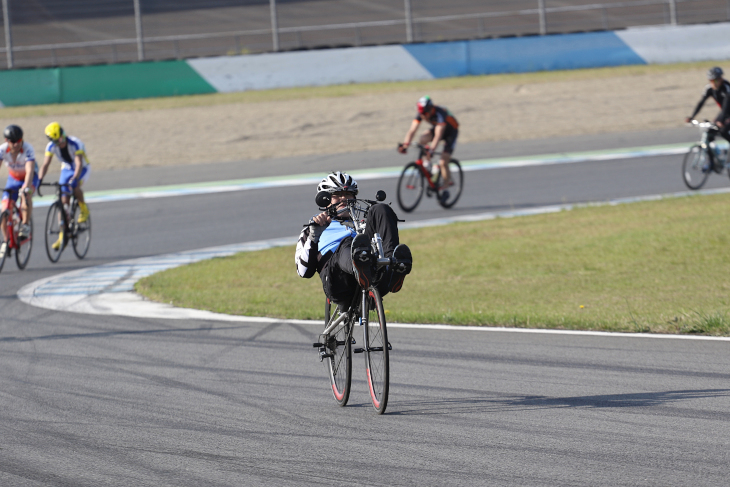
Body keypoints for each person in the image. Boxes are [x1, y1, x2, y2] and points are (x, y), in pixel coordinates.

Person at [295, 171, 412, 306]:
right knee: (348, 243)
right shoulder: (312, 228)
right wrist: (314, 236)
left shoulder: (362, 222)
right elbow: (304, 272)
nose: (344, 199)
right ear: (326, 199)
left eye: (348, 194)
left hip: (372, 274)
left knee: (381, 209)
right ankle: (359, 263)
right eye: (337, 195)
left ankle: (392, 268)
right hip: (338, 281)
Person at [38, 122, 91, 250]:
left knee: (74, 186)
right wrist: (39, 179)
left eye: (62, 137)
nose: (61, 141)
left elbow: (78, 163)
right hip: (67, 168)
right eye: (58, 140)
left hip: (82, 168)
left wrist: (75, 179)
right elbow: (45, 165)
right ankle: (62, 236)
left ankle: (83, 209)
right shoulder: (50, 147)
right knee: (63, 202)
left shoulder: (74, 143)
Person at [398, 95, 459, 188]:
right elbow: (412, 130)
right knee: (422, 138)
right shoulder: (422, 113)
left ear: (431, 110)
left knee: (443, 162)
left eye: (424, 113)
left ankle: (445, 186)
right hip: (438, 128)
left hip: (451, 132)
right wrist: (405, 145)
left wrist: (432, 150)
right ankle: (428, 165)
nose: (422, 116)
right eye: (420, 113)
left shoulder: (440, 113)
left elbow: (438, 136)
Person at [0, 125, 39, 255]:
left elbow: (29, 171)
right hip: (13, 178)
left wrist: (26, 187)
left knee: (25, 195)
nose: (17, 144)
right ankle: (6, 241)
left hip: (30, 177)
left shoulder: (28, 149)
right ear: (7, 141)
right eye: (13, 141)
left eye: (19, 141)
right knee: (5, 208)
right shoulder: (2, 150)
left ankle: (26, 225)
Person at [686, 67, 730, 147]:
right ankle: (711, 158)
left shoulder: (726, 87)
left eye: (715, 80)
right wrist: (692, 117)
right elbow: (701, 103)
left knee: (723, 131)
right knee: (709, 132)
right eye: (711, 81)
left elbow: (726, 105)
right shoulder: (709, 88)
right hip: (724, 111)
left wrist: (722, 120)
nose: (713, 83)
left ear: (720, 79)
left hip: (727, 110)